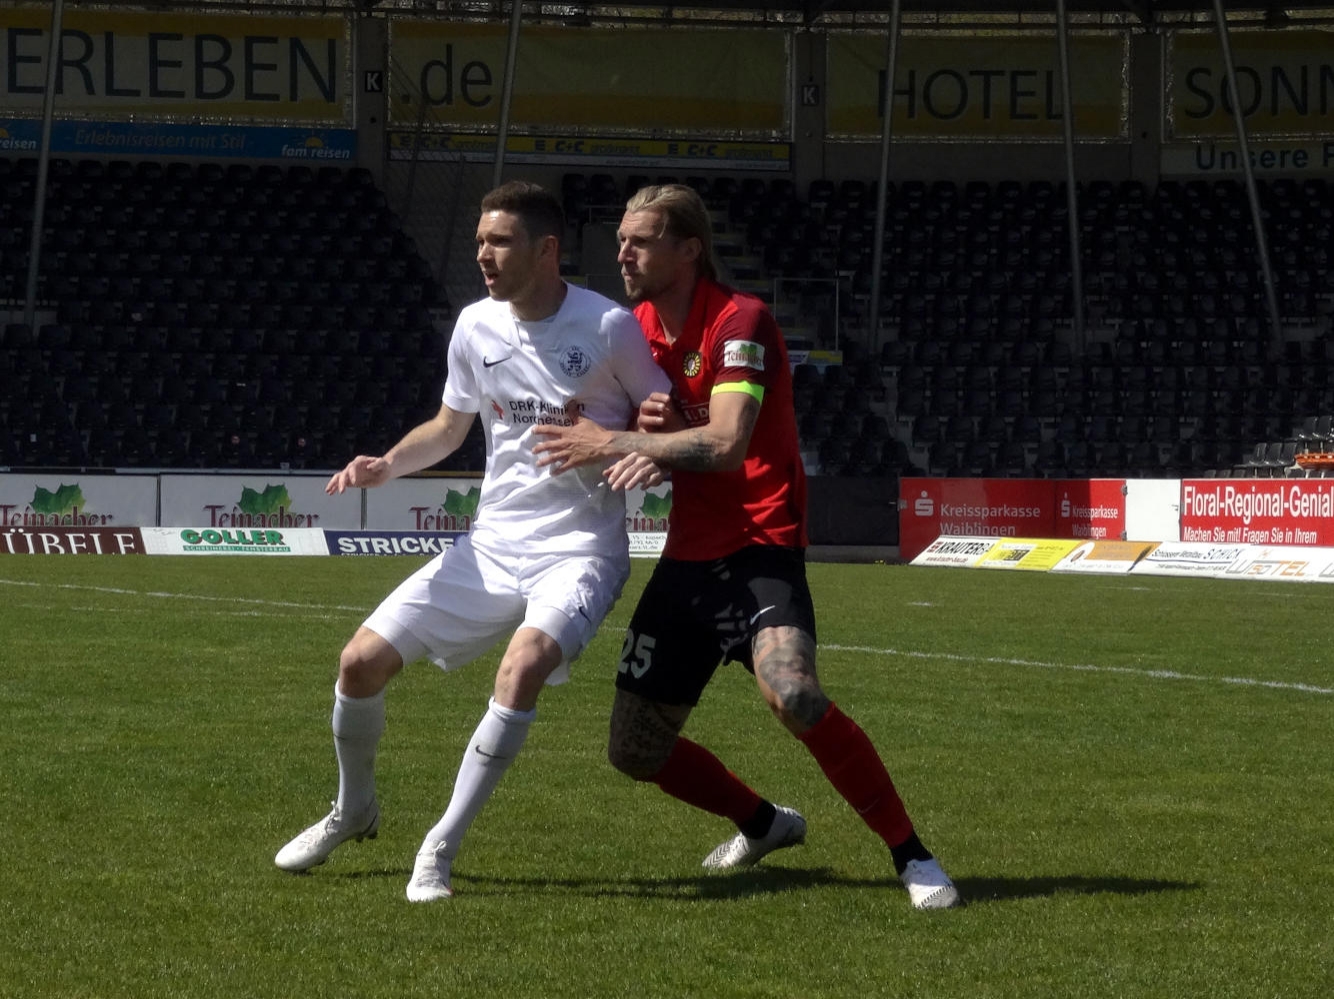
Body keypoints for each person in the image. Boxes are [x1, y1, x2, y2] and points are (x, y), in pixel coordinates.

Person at [532, 183, 961, 910]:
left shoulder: (740, 319)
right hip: (687, 558)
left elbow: (728, 442)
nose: (623, 253)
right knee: (633, 749)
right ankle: (764, 823)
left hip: (761, 544)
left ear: (688, 249)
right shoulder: (632, 329)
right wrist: (641, 435)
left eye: (640, 241)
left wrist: (624, 440)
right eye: (620, 241)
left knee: (793, 692)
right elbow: (631, 421)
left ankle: (912, 854)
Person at [274, 181, 671, 901]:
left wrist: (631, 445)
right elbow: (449, 426)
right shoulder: (475, 325)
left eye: (500, 241)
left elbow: (662, 416)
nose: (484, 255)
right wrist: (388, 463)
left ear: (546, 250)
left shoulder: (608, 326)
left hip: (580, 548)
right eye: (480, 241)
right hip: (489, 545)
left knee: (522, 668)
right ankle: (353, 809)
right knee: (358, 663)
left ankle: (439, 847)